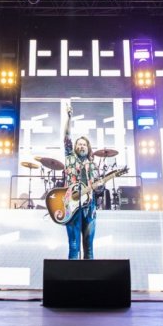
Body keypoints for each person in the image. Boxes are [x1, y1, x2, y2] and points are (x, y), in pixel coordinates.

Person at [63, 102, 99, 260]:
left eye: (85, 144)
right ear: (75, 147)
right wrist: (69, 118)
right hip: (72, 205)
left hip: (89, 207)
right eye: (79, 144)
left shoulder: (92, 164)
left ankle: (89, 283)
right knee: (73, 246)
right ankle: (71, 282)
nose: (82, 146)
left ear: (88, 148)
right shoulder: (70, 158)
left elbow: (98, 187)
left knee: (89, 248)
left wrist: (100, 186)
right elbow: (67, 137)